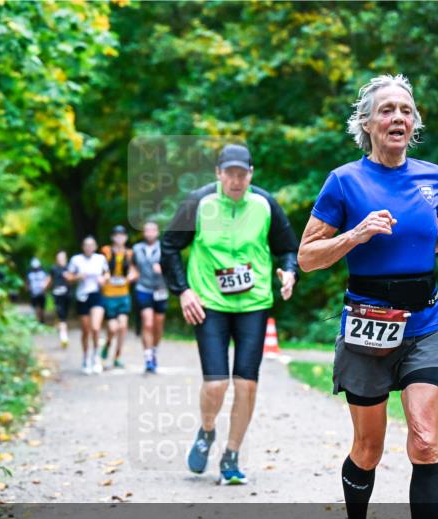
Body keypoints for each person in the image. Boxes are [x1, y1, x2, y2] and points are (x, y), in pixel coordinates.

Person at [297, 74, 438, 519]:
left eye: (406, 110)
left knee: (424, 438)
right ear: (367, 123)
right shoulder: (344, 181)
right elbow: (307, 257)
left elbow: (417, 245)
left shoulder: (432, 176)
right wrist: (354, 235)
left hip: (424, 324)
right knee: (368, 449)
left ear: (413, 124)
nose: (398, 118)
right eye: (387, 110)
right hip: (367, 326)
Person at [162, 144, 298, 485]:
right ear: (218, 174)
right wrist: (183, 291)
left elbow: (287, 248)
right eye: (230, 174)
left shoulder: (265, 204)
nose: (236, 181)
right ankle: (207, 431)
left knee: (247, 384)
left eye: (243, 174)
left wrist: (289, 271)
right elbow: (169, 247)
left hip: (253, 304)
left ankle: (231, 456)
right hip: (209, 303)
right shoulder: (199, 202)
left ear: (251, 174)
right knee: (217, 383)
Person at [65, 237, 109, 374]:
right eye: (86, 245)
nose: (89, 247)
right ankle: (86, 357)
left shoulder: (100, 259)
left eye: (91, 245)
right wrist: (77, 277)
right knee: (86, 330)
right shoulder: (76, 260)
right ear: (82, 247)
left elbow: (107, 274)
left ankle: (96, 357)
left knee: (96, 328)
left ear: (95, 246)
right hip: (82, 296)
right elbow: (67, 276)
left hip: (96, 295)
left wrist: (104, 279)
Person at [131, 220, 168, 373]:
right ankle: (147, 357)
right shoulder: (137, 249)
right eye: (146, 230)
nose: (149, 233)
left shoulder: (165, 247)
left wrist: (163, 269)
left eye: (152, 230)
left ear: (157, 232)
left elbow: (173, 266)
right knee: (148, 323)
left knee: (158, 324)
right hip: (143, 288)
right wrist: (132, 274)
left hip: (160, 289)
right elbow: (132, 265)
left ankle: (154, 350)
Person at [99, 225, 134, 370]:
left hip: (123, 294)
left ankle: (117, 357)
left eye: (122, 235)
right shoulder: (105, 252)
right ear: (112, 237)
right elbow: (101, 269)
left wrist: (132, 276)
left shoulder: (129, 253)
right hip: (109, 295)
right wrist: (104, 277)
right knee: (113, 328)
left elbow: (133, 270)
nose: (120, 238)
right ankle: (107, 344)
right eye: (117, 235)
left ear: (125, 237)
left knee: (123, 326)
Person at [50, 250, 71, 348]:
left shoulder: (69, 268)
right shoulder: (53, 269)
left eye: (63, 258)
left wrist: (70, 277)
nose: (61, 260)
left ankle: (63, 333)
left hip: (67, 296)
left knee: (64, 317)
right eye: (59, 258)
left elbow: (73, 280)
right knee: (61, 316)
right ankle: (64, 337)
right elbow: (49, 280)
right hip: (57, 295)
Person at [26, 257, 49, 324]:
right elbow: (27, 283)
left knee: (41, 308)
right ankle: (38, 320)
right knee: (36, 308)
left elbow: (47, 281)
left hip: (42, 293)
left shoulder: (43, 273)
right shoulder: (30, 274)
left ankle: (41, 319)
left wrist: (45, 288)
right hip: (33, 293)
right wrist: (28, 288)